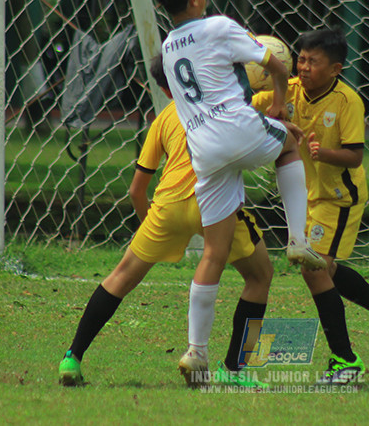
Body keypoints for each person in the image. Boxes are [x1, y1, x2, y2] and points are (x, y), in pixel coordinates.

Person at [148, 0, 325, 387]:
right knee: (289, 142)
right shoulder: (219, 25)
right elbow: (277, 65)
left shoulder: (168, 47)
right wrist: (280, 104)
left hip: (202, 150)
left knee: (213, 253)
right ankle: (299, 241)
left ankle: (196, 352)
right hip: (235, 126)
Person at [58, 56, 274, 389]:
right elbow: (270, 99)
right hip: (215, 203)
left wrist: (152, 228)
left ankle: (72, 357)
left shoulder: (163, 118)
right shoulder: (230, 103)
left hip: (168, 206)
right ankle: (234, 370)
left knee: (120, 277)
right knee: (260, 275)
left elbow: (136, 190)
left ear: (163, 88)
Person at [253, 29, 369, 385]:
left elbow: (355, 155)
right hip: (307, 195)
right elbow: (250, 107)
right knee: (322, 268)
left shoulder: (347, 101)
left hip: (339, 197)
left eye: (314, 62)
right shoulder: (288, 89)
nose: (305, 67)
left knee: (313, 270)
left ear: (336, 68)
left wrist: (322, 153)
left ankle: (345, 361)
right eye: (302, 59)